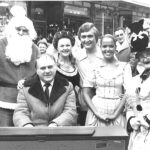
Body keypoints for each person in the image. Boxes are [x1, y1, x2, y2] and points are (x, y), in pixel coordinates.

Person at [0, 5, 40, 126]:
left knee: (25, 137)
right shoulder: (1, 45)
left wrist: (28, 81)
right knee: (4, 136)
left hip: (28, 100)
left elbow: (40, 73)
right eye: (18, 29)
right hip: (3, 100)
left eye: (25, 30)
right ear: (12, 29)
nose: (22, 33)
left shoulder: (35, 49)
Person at [13, 54, 77, 127]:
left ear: (56, 67)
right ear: (36, 70)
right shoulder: (25, 88)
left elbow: (70, 111)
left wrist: (56, 124)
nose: (47, 71)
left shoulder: (67, 86)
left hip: (59, 131)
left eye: (50, 67)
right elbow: (20, 112)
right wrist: (27, 125)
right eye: (43, 68)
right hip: (34, 133)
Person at [83, 34, 132, 127]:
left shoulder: (124, 66)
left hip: (117, 111)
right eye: (104, 46)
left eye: (111, 46)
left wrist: (115, 114)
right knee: (95, 140)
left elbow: (128, 92)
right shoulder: (94, 66)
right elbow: (85, 92)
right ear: (100, 47)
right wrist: (96, 113)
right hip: (97, 110)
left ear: (115, 47)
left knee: (116, 141)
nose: (107, 49)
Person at [75, 22, 103, 125]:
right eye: (83, 37)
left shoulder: (106, 55)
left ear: (96, 37)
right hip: (85, 103)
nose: (87, 40)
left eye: (90, 36)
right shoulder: (76, 56)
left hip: (103, 101)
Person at [126, 49, 150, 150]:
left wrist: (147, 121)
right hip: (138, 130)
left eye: (148, 56)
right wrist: (132, 120)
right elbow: (131, 106)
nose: (146, 58)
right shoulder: (134, 81)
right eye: (142, 57)